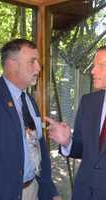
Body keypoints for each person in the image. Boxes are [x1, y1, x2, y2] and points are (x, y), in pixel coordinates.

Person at [0, 39, 61, 200]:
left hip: (33, 190)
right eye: (32, 61)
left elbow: (38, 148)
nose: (38, 67)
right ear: (12, 64)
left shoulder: (29, 100)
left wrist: (50, 190)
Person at [45, 46, 106, 200]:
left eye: (101, 66)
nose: (93, 71)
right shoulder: (88, 102)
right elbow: (81, 149)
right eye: (94, 65)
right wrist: (67, 142)